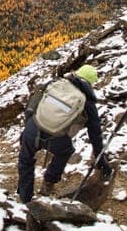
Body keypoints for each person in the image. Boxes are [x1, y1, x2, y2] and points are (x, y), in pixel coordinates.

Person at [17, 64, 104, 203]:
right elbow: (95, 134)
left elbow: (33, 103)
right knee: (65, 151)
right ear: (91, 83)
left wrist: (28, 127)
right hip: (56, 138)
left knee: (25, 160)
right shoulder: (87, 103)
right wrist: (101, 159)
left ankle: (24, 197)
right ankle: (48, 183)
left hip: (33, 127)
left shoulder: (55, 83)